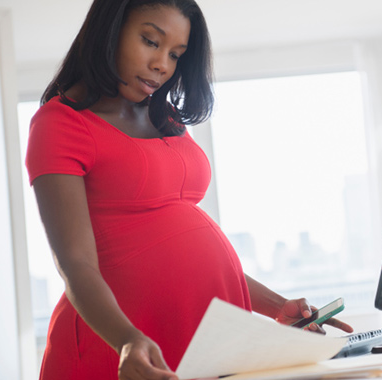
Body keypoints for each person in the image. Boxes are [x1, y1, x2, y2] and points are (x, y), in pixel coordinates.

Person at [26, 1, 353, 379]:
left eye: (176, 55)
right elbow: (75, 263)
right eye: (151, 41)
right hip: (122, 348)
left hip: (203, 343)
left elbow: (179, 247)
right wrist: (127, 339)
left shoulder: (165, 119)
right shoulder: (60, 124)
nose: (162, 64)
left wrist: (277, 306)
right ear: (109, 30)